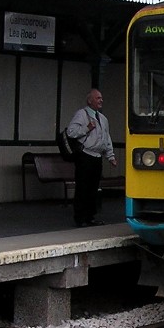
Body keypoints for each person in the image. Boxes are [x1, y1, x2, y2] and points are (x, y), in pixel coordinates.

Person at [65, 88, 117, 227]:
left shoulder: (103, 119)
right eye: (98, 98)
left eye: (101, 98)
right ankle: (80, 217)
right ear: (90, 100)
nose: (101, 100)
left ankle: (90, 217)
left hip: (97, 156)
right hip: (85, 155)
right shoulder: (81, 115)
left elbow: (107, 138)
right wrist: (86, 128)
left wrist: (110, 156)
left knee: (93, 188)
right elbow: (71, 132)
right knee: (83, 187)